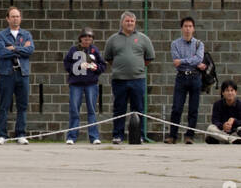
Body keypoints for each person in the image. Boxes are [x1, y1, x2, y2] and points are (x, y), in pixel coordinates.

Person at [102, 11, 156, 144]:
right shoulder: (113, 39)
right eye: (127, 21)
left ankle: (139, 136)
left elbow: (149, 57)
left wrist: (136, 67)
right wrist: (121, 67)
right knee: (119, 108)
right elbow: (108, 57)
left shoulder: (143, 38)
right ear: (122, 22)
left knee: (139, 109)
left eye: (132, 21)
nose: (130, 23)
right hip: (119, 80)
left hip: (138, 79)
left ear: (135, 23)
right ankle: (118, 135)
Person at [0, 6, 34, 144]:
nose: (15, 19)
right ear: (7, 18)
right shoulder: (1, 35)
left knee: (22, 105)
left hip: (22, 73)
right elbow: (2, 52)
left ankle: (21, 134)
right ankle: (2, 134)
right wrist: (20, 50)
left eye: (17, 16)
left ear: (21, 18)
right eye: (12, 16)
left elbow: (29, 50)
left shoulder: (27, 35)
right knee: (4, 104)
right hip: (7, 73)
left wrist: (14, 48)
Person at [167, 16, 207, 144]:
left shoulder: (199, 44)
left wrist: (184, 61)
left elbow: (198, 59)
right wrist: (193, 61)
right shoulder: (175, 44)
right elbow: (176, 61)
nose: (188, 29)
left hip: (195, 77)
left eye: (190, 26)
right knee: (177, 107)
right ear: (181, 28)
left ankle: (190, 135)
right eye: (185, 26)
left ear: (193, 28)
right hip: (181, 77)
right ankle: (173, 136)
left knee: (193, 108)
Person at [63, 28, 106, 144]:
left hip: (91, 84)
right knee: (74, 110)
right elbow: (66, 64)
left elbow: (103, 65)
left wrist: (96, 67)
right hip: (76, 84)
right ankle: (71, 136)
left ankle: (94, 136)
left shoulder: (94, 50)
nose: (87, 40)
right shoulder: (73, 50)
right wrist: (77, 67)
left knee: (91, 110)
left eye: (90, 38)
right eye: (85, 37)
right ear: (80, 38)